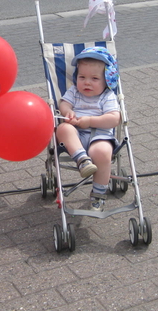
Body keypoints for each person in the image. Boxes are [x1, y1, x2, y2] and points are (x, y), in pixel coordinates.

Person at [55, 47, 121, 212]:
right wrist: (67, 111)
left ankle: (98, 195)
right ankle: (83, 161)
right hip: (75, 135)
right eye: (82, 77)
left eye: (94, 78)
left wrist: (91, 120)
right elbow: (63, 103)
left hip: (100, 135)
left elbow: (114, 118)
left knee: (102, 152)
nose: (87, 82)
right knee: (63, 128)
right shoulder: (74, 91)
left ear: (107, 80)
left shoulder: (107, 96)